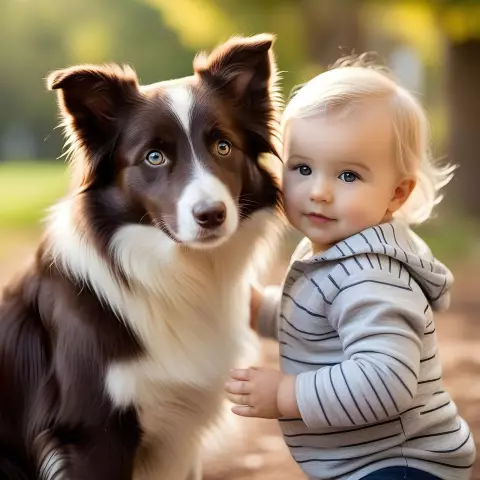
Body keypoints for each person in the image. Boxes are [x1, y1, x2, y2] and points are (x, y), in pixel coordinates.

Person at [224, 54, 476, 479]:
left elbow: (384, 382)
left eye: (348, 177)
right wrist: (258, 308)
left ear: (396, 194)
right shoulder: (335, 251)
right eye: (302, 168)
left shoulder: (371, 275)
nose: (318, 192)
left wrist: (288, 393)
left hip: (401, 464)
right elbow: (320, 321)